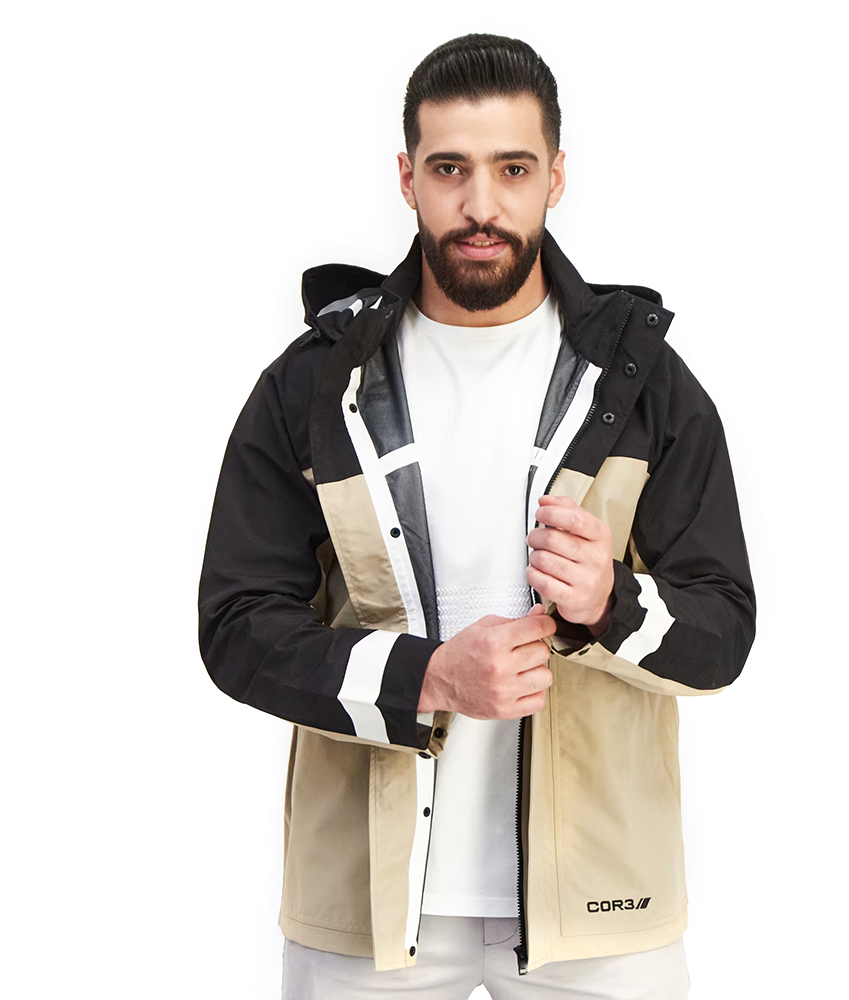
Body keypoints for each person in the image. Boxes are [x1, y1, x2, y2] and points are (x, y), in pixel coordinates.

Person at [198, 32, 756, 1000]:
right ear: (407, 177)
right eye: (450, 168)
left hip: (602, 903)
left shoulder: (645, 386)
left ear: (556, 178)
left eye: (513, 169)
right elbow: (237, 627)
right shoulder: (313, 385)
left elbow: (724, 633)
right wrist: (427, 677)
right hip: (365, 908)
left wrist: (612, 604)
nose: (482, 205)